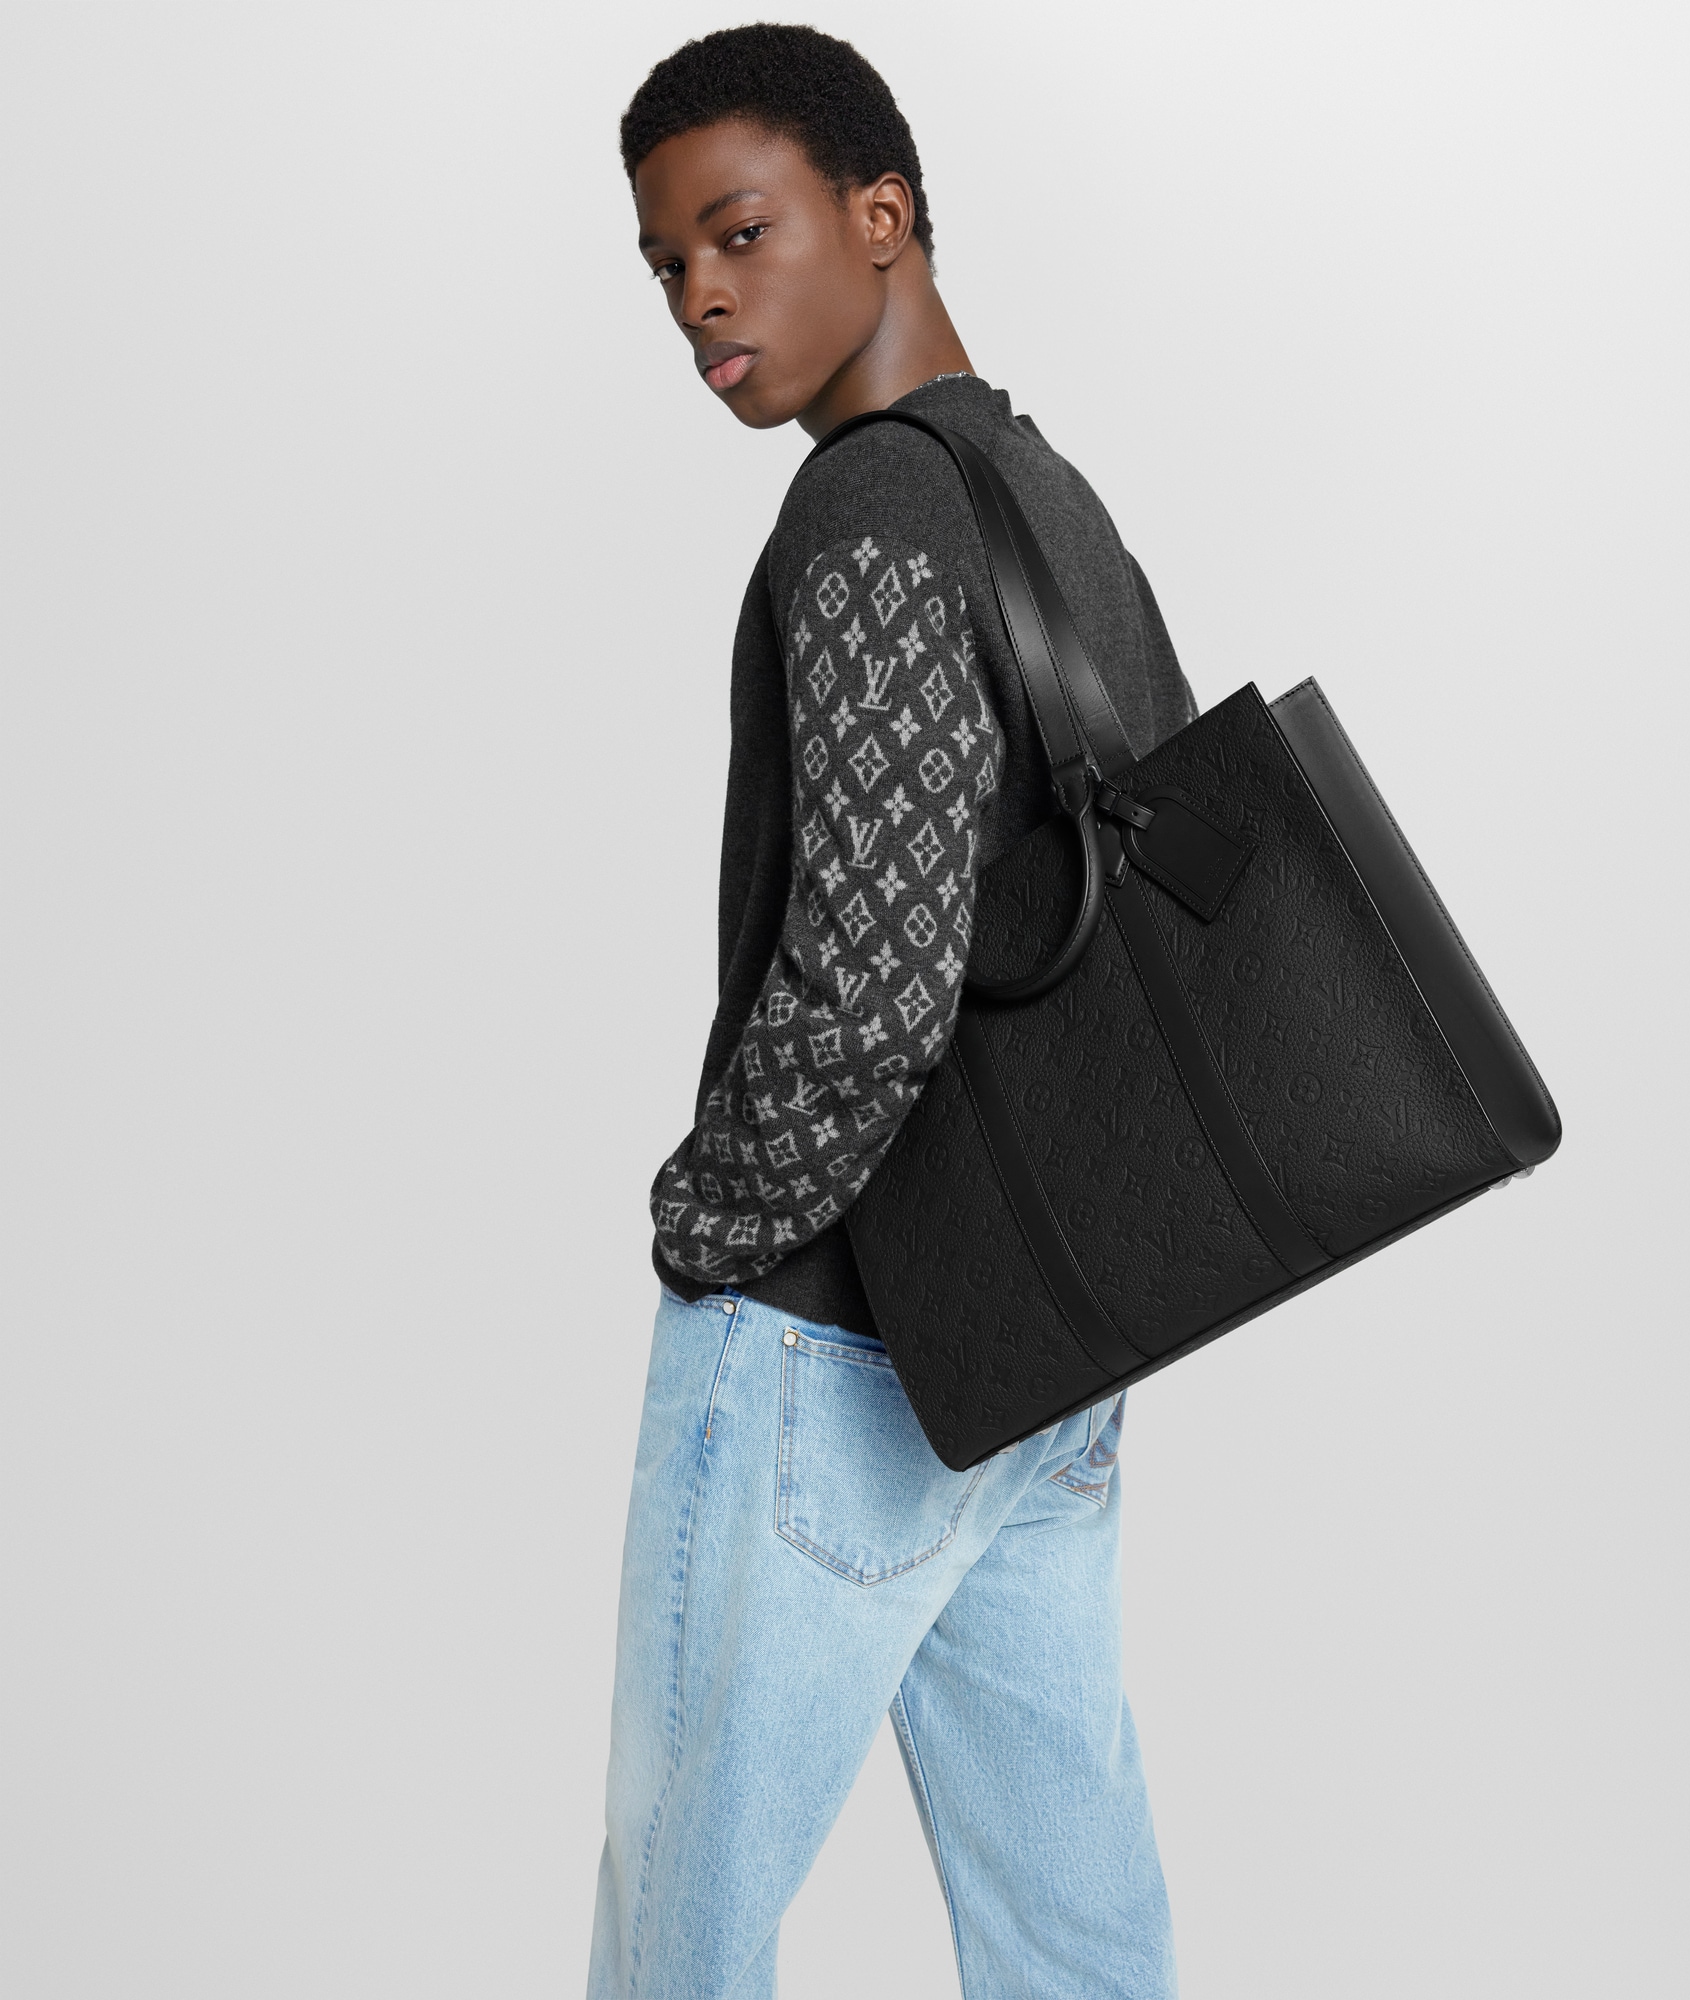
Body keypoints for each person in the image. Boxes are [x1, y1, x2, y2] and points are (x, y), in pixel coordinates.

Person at [590, 26, 1195, 1999]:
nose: (699, 298)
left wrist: (707, 1230)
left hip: (833, 1343)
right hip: (1043, 1354)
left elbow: (869, 975)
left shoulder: (866, 512)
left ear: (882, 213)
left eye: (738, 233)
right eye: (667, 263)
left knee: (677, 1946)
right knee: (1073, 1942)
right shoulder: (1048, 495)